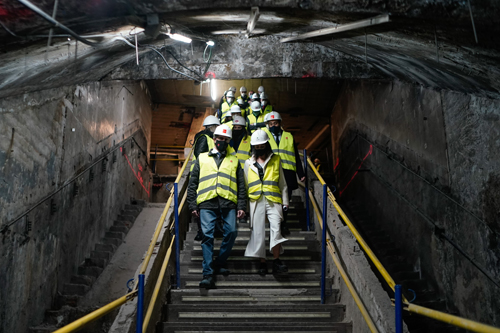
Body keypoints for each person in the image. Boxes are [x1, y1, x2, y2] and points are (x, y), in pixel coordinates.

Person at [187, 124, 247, 289]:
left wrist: (242, 205)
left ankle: (219, 262)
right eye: (220, 138)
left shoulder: (234, 160)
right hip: (207, 202)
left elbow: (241, 185)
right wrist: (192, 204)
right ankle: (207, 274)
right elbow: (193, 184)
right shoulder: (202, 158)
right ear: (214, 139)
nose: (222, 141)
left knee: (232, 232)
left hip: (228, 202)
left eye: (226, 140)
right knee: (207, 236)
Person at [244, 130, 288, 275]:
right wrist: (244, 207)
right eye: (257, 146)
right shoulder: (248, 163)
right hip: (255, 201)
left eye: (262, 145)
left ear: (266, 144)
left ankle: (276, 260)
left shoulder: (276, 159)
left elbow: (283, 183)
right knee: (258, 233)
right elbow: (245, 185)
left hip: (273, 200)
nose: (259, 148)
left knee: (276, 229)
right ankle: (262, 262)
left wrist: (285, 201)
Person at [263, 111, 305, 236]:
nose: (273, 125)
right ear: (267, 125)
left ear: (280, 123)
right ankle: (275, 224)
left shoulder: (289, 136)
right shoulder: (264, 136)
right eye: (270, 124)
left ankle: (283, 224)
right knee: (273, 200)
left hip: (288, 173)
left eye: (275, 123)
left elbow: (296, 156)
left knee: (286, 201)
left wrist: (300, 173)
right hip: (271, 173)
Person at [190, 115, 221, 241]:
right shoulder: (205, 138)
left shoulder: (205, 137)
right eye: (216, 126)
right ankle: (201, 231)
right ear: (212, 127)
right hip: (201, 173)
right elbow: (200, 156)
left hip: (204, 173)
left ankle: (209, 230)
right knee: (202, 202)